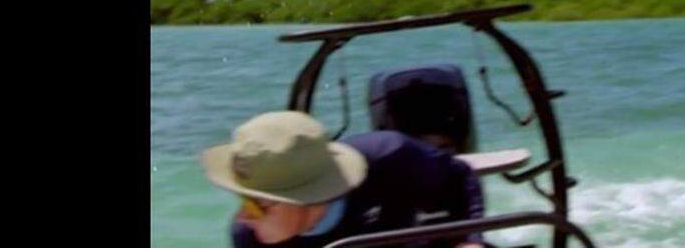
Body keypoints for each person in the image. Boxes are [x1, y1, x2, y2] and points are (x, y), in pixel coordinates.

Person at [201, 110, 486, 248]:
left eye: (255, 205)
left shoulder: (391, 156)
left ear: (305, 199)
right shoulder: (249, 238)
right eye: (243, 199)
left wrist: (470, 241)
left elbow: (461, 178)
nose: (243, 218)